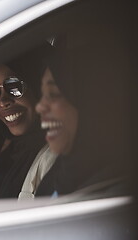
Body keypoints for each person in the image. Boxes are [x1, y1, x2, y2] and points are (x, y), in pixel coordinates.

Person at [35, 36, 131, 196]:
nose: (39, 107)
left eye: (54, 94)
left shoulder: (115, 193)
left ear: (90, 103)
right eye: (42, 94)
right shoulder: (61, 173)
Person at [0, 47, 56, 199]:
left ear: (39, 87)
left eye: (13, 86)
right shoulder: (8, 154)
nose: (3, 101)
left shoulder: (55, 157)